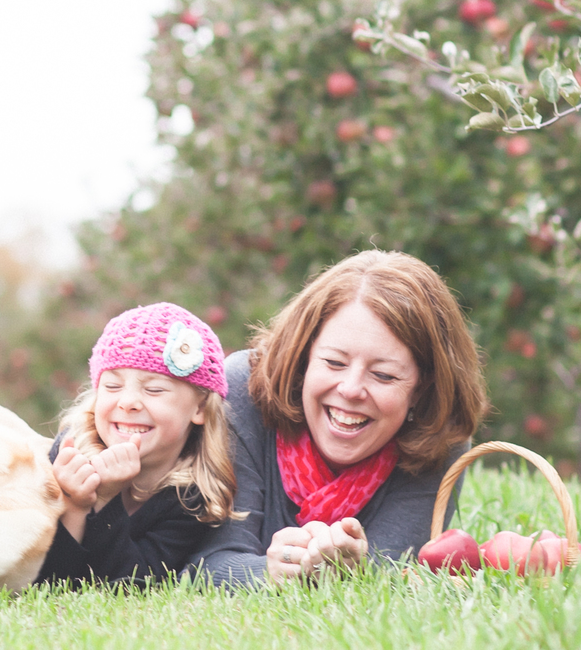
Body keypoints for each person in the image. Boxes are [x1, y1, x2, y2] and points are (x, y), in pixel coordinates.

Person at [191, 249, 487, 587]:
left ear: (422, 388)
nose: (350, 390)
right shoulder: (244, 391)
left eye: (384, 375)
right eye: (334, 363)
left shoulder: (439, 434)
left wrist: (357, 571)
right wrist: (268, 574)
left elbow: (394, 574)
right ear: (303, 357)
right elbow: (205, 563)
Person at [37, 302, 238, 586]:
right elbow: (48, 581)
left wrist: (105, 500)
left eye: (154, 389)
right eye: (112, 386)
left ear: (200, 408)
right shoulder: (71, 454)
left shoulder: (192, 498)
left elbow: (132, 584)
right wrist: (75, 505)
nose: (128, 401)